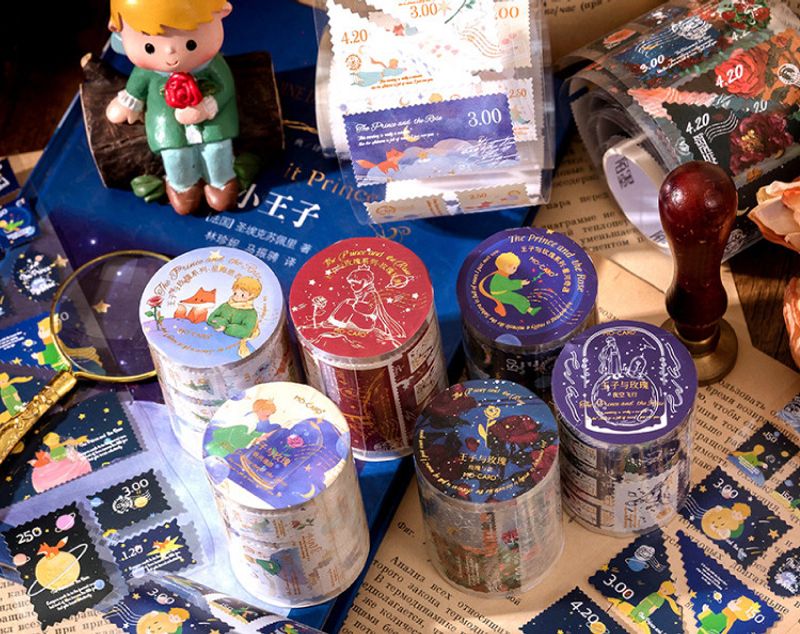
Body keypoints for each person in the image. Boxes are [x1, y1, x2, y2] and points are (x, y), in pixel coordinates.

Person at [106, 0, 239, 215]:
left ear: (223, 12)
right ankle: (182, 187)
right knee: (175, 154)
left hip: (213, 118)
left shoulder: (211, 65)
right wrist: (129, 102)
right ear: (118, 30)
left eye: (190, 44)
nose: (171, 56)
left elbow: (225, 88)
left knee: (217, 149)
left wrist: (207, 107)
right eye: (150, 48)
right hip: (166, 120)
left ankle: (221, 181)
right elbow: (137, 85)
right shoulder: (148, 71)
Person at [207, 276, 261, 358]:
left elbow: (247, 331)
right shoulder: (226, 305)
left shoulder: (250, 313)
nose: (237, 296)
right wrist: (220, 323)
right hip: (215, 339)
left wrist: (226, 328)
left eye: (242, 295)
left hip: (233, 344)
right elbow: (211, 318)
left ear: (251, 296)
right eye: (235, 293)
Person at [479, 252, 541, 318]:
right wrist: (520, 283)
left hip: (503, 292)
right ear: (505, 267)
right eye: (514, 268)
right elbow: (508, 285)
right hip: (500, 294)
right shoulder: (500, 277)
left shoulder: (501, 274)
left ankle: (529, 310)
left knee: (519, 298)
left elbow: (508, 284)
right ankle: (529, 311)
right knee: (517, 299)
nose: (515, 270)